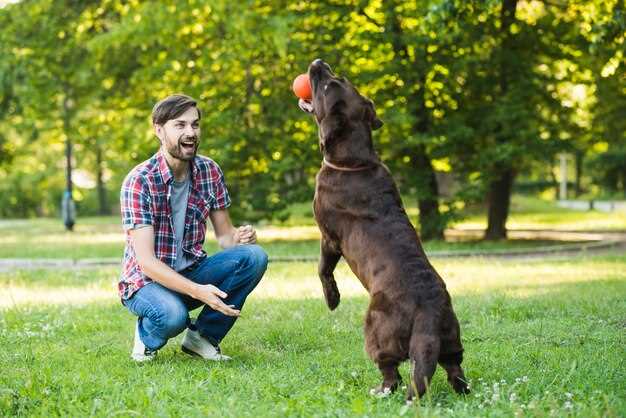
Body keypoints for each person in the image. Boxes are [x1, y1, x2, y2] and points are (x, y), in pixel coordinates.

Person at [119, 94, 268, 362]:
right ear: (159, 130)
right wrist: (199, 292)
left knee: (254, 256)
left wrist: (240, 237)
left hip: (191, 272)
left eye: (195, 125)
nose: (191, 133)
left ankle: (203, 338)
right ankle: (146, 335)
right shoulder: (139, 181)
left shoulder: (209, 171)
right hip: (147, 283)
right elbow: (146, 263)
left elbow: (224, 236)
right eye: (180, 125)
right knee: (173, 316)